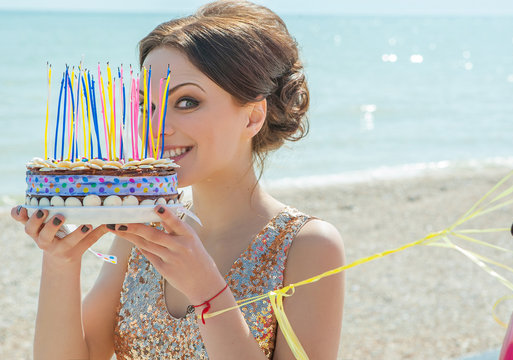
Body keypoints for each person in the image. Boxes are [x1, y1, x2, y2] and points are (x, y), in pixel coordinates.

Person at [11, 1, 345, 359]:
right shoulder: (142, 227)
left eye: (186, 102)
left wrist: (208, 291)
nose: (156, 127)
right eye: (145, 106)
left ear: (252, 116)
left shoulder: (307, 246)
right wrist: (61, 264)